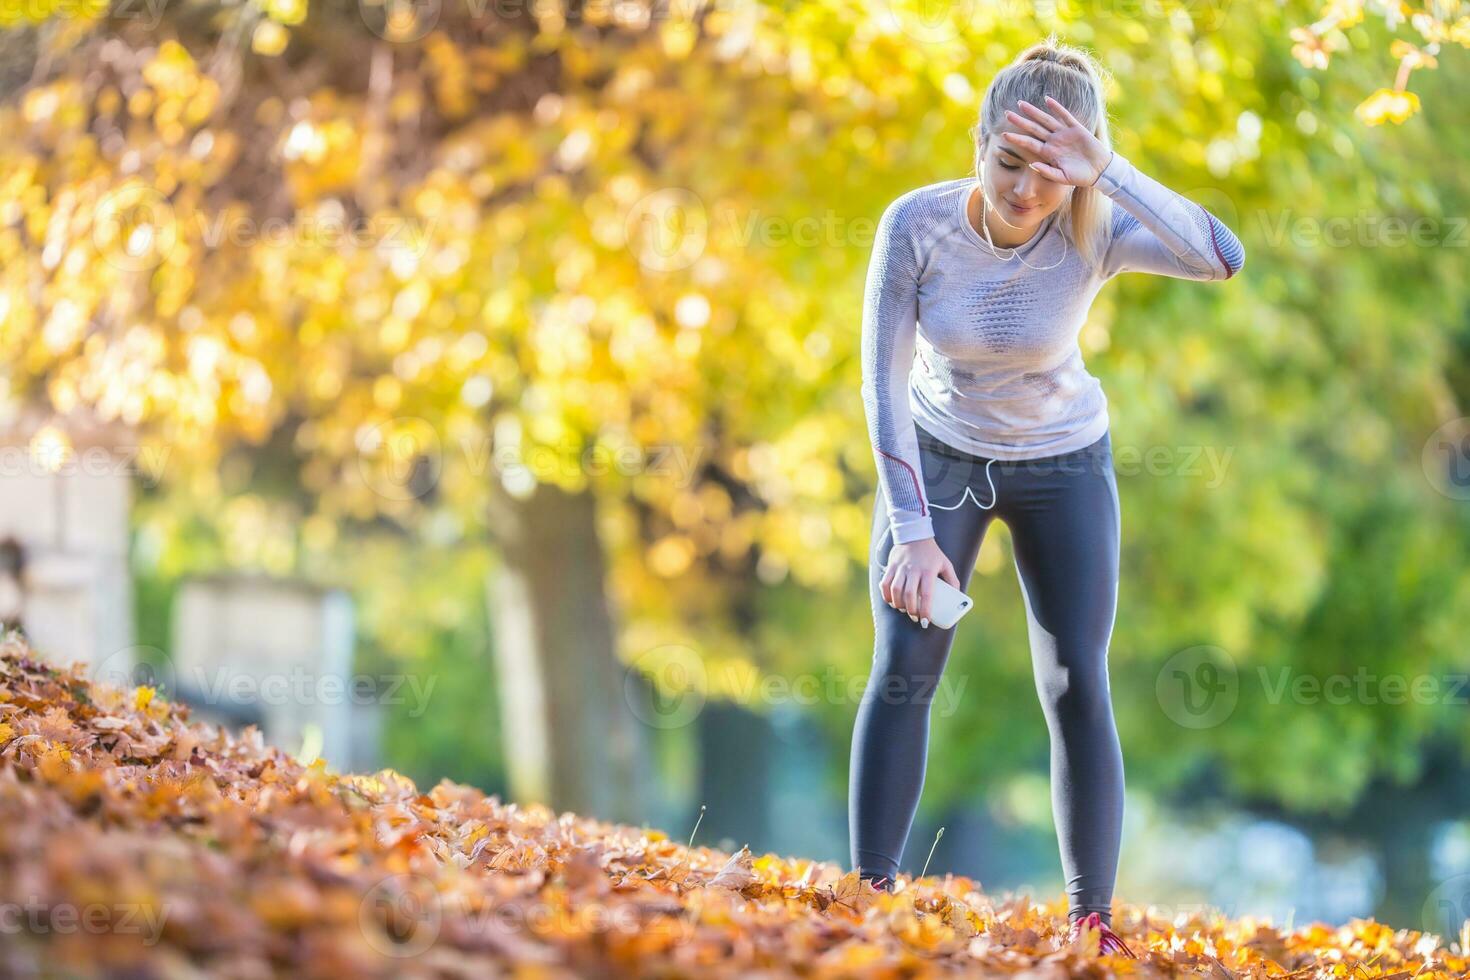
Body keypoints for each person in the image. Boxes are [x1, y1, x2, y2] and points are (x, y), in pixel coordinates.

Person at [848, 36, 1245, 959]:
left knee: (1075, 683)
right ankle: (869, 899)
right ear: (978, 143)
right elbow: (881, 382)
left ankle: (1091, 920)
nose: (1028, 189)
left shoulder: (1093, 225)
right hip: (939, 459)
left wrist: (1105, 170)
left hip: (1062, 462)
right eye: (1010, 160)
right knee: (906, 664)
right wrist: (912, 535)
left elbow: (1221, 256)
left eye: (1052, 172)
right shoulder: (916, 225)